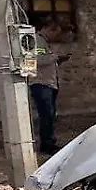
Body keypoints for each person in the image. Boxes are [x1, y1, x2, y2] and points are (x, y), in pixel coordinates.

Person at [29, 21, 70, 154]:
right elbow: (36, 60)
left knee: (50, 115)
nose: (55, 37)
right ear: (48, 29)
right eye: (55, 33)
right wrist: (55, 57)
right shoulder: (36, 41)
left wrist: (57, 60)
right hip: (41, 84)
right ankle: (47, 145)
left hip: (49, 83)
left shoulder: (44, 42)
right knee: (46, 115)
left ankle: (49, 142)